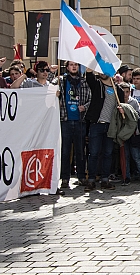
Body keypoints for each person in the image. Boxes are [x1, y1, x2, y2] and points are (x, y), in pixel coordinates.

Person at [56, 61, 91, 190]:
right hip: (65, 119)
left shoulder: (83, 82)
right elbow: (47, 85)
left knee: (80, 151)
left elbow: (89, 98)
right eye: (71, 65)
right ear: (67, 67)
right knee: (65, 151)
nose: (74, 66)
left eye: (76, 64)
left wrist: (85, 107)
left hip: (79, 120)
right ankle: (65, 178)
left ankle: (81, 177)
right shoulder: (61, 80)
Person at [85, 68, 120, 191]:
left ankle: (105, 179)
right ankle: (91, 180)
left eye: (104, 70)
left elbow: (122, 105)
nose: (101, 72)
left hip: (111, 127)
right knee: (93, 154)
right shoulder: (97, 85)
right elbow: (89, 75)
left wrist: (121, 109)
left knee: (108, 154)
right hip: (97, 124)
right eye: (99, 70)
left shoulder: (117, 89)